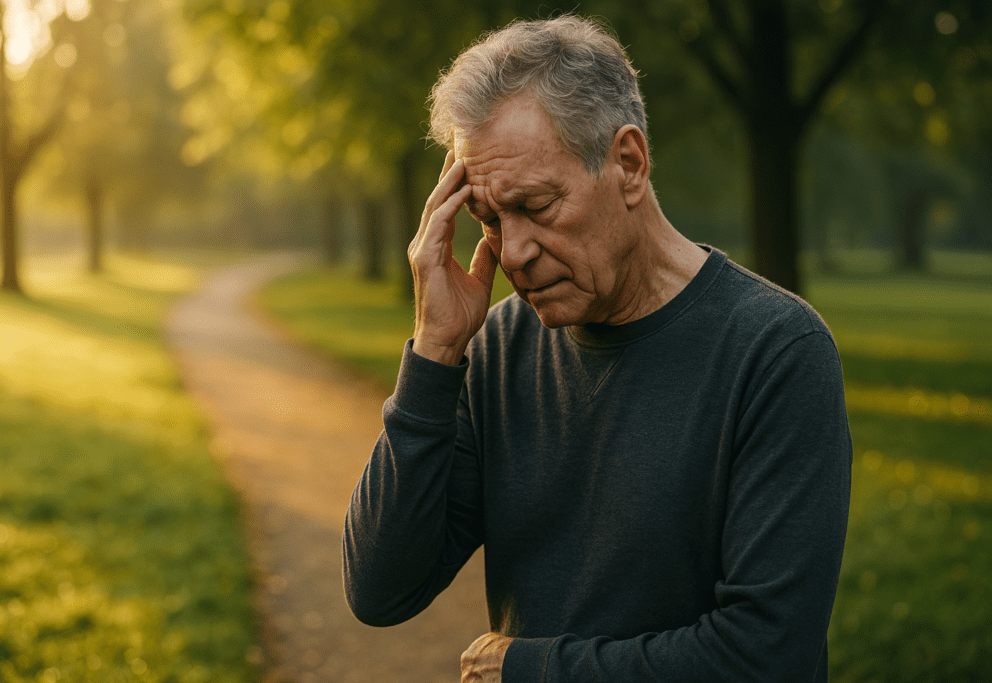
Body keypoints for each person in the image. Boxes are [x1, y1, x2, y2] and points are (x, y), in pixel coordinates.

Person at [343, 15, 852, 683]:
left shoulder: (777, 350)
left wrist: (530, 669)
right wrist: (435, 350)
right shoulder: (496, 347)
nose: (514, 251)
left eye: (537, 205)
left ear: (629, 164)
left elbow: (767, 653)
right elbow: (381, 589)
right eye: (490, 219)